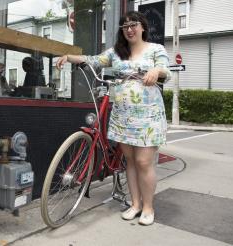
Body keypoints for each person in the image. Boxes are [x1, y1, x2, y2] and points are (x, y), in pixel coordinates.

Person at [56, 11, 171, 226]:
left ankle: (148, 207)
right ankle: (135, 204)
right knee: (129, 161)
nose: (129, 29)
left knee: (143, 162)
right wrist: (70, 57)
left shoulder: (156, 49)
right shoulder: (116, 53)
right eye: (125, 26)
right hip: (122, 115)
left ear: (142, 27)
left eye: (133, 24)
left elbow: (166, 70)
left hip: (148, 115)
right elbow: (93, 60)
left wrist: (156, 70)